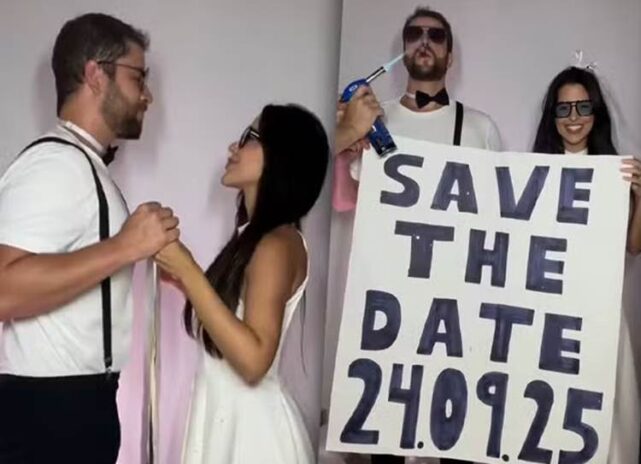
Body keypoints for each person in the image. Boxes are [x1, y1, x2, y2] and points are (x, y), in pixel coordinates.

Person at [0, 13, 179, 464]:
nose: (147, 95)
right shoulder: (55, 165)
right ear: (96, 74)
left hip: (75, 408)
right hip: (48, 414)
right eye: (138, 77)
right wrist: (124, 247)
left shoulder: (83, 165)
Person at [332, 6, 502, 464]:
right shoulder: (372, 119)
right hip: (389, 297)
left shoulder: (480, 127)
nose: (425, 41)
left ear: (450, 56)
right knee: (387, 425)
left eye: (436, 35)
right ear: (404, 50)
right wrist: (345, 134)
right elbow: (344, 201)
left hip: (455, 303)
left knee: (456, 430)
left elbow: (500, 218)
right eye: (415, 33)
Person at [153, 104, 329, 463]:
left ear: (281, 157)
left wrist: (188, 271)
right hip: (232, 425)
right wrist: (185, 279)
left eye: (251, 137)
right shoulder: (257, 239)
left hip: (253, 440)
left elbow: (253, 361)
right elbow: (236, 325)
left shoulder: (275, 245)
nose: (234, 147)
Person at [532, 65, 641, 463]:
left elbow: (632, 248)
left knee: (605, 419)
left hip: (601, 313)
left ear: (596, 112)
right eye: (564, 109)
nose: (574, 117)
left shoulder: (618, 171)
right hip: (551, 313)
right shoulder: (533, 173)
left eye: (583, 107)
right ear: (552, 116)